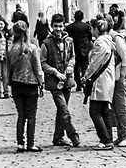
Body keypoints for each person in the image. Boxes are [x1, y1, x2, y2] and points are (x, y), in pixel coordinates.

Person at [81, 20, 122, 147]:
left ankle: (105, 139)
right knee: (104, 111)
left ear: (96, 29)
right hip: (106, 79)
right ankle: (108, 138)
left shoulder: (100, 42)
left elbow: (95, 63)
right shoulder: (108, 40)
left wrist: (86, 75)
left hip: (100, 80)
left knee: (95, 112)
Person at [6, 19, 44, 150]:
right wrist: (41, 82)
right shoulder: (32, 48)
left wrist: (9, 82)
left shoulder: (11, 49)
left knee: (21, 114)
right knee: (31, 115)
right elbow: (37, 68)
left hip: (16, 84)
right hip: (31, 83)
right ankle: (31, 143)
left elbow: (8, 69)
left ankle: (20, 142)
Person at [42, 19, 80, 149]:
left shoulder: (69, 41)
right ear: (52, 26)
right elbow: (43, 63)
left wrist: (70, 65)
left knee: (61, 110)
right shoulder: (46, 43)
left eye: (60, 26)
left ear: (63, 26)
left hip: (67, 80)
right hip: (55, 81)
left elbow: (73, 57)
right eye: (55, 26)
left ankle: (58, 137)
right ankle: (73, 134)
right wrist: (55, 72)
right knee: (64, 109)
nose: (58, 29)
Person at [105, 18, 126, 148]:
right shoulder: (109, 37)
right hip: (115, 77)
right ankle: (120, 135)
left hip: (121, 77)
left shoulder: (116, 38)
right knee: (116, 107)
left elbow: (125, 58)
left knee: (121, 107)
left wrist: (123, 76)